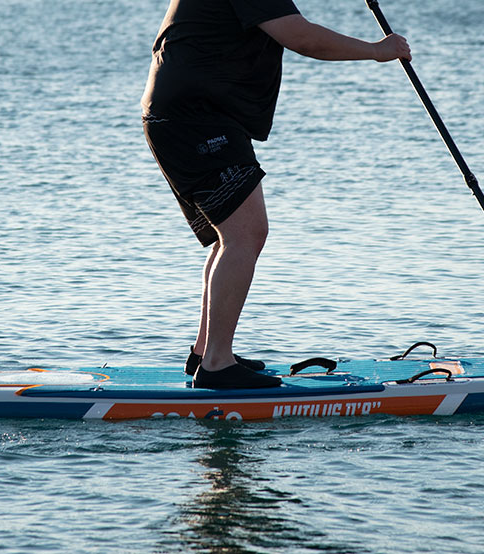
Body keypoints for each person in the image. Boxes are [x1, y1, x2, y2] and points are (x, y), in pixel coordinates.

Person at [142, 0, 411, 389]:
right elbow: (301, 37)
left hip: (184, 113)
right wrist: (376, 50)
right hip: (194, 116)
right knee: (245, 235)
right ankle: (217, 365)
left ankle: (207, 352)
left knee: (230, 236)